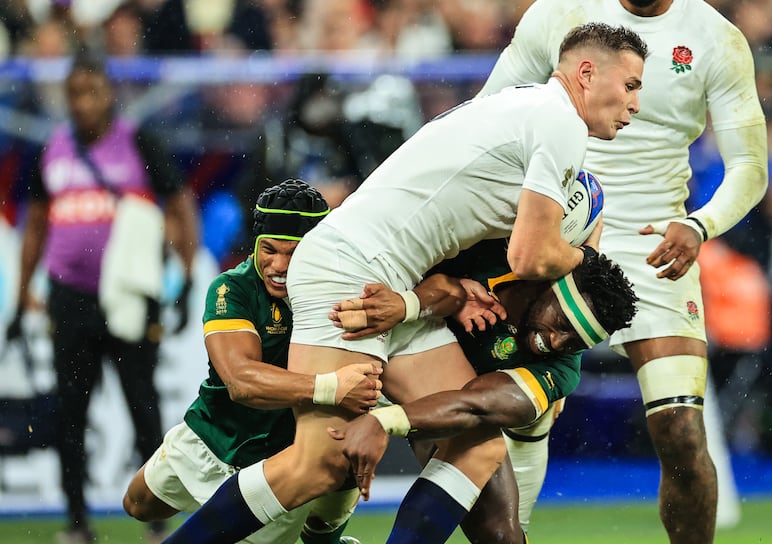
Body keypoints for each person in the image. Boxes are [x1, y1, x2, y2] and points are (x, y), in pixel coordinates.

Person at [162, 22, 647, 544]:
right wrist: (586, 260)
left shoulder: (521, 106)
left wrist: (424, 305)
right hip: (353, 266)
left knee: (476, 446)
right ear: (587, 72)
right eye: (632, 85)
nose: (636, 104)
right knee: (318, 465)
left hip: (387, 273)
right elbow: (529, 254)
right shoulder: (560, 124)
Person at [476, 1, 769, 542]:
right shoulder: (559, 12)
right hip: (555, 230)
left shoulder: (716, 39)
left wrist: (700, 225)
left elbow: (751, 167)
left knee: (681, 431)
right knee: (523, 416)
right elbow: (490, 110)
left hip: (656, 247)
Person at [5, 51, 199, 544]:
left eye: (92, 92)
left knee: (143, 408)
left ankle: (158, 520)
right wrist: (24, 287)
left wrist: (184, 275)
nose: (83, 103)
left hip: (130, 297)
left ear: (109, 93)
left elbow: (179, 208)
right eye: (74, 93)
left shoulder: (138, 143)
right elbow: (37, 224)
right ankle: (76, 522)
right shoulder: (51, 149)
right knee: (71, 412)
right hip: (68, 297)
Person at [327, 238, 639, 543]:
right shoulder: (493, 250)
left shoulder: (561, 371)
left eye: (575, 342)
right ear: (548, 287)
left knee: (500, 532)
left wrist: (384, 421)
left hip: (438, 400)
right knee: (316, 469)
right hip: (373, 340)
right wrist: (442, 293)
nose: (557, 342)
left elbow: (475, 404)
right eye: (562, 323)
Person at [122, 179, 381, 544]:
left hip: (283, 458)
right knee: (137, 504)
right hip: (215, 433)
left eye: (295, 253)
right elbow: (241, 382)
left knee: (322, 519)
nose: (279, 265)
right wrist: (331, 387)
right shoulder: (233, 289)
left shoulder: (342, 291)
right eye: (269, 250)